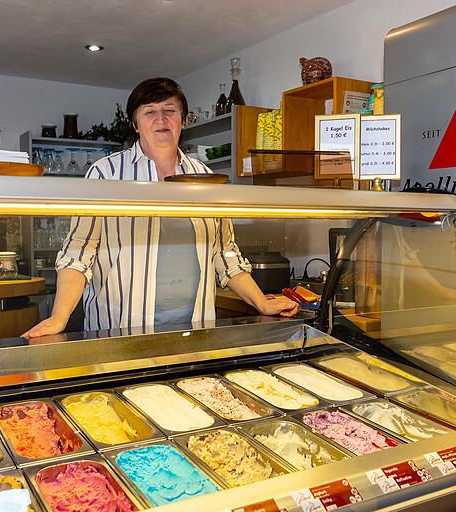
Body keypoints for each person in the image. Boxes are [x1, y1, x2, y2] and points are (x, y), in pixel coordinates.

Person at [23, 77, 297, 337]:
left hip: (195, 327)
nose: (161, 119)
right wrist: (60, 317)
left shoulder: (205, 176)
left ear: (183, 120)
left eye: (170, 110)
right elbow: (78, 252)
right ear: (135, 123)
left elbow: (225, 255)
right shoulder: (105, 173)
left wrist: (261, 302)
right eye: (149, 112)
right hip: (121, 329)